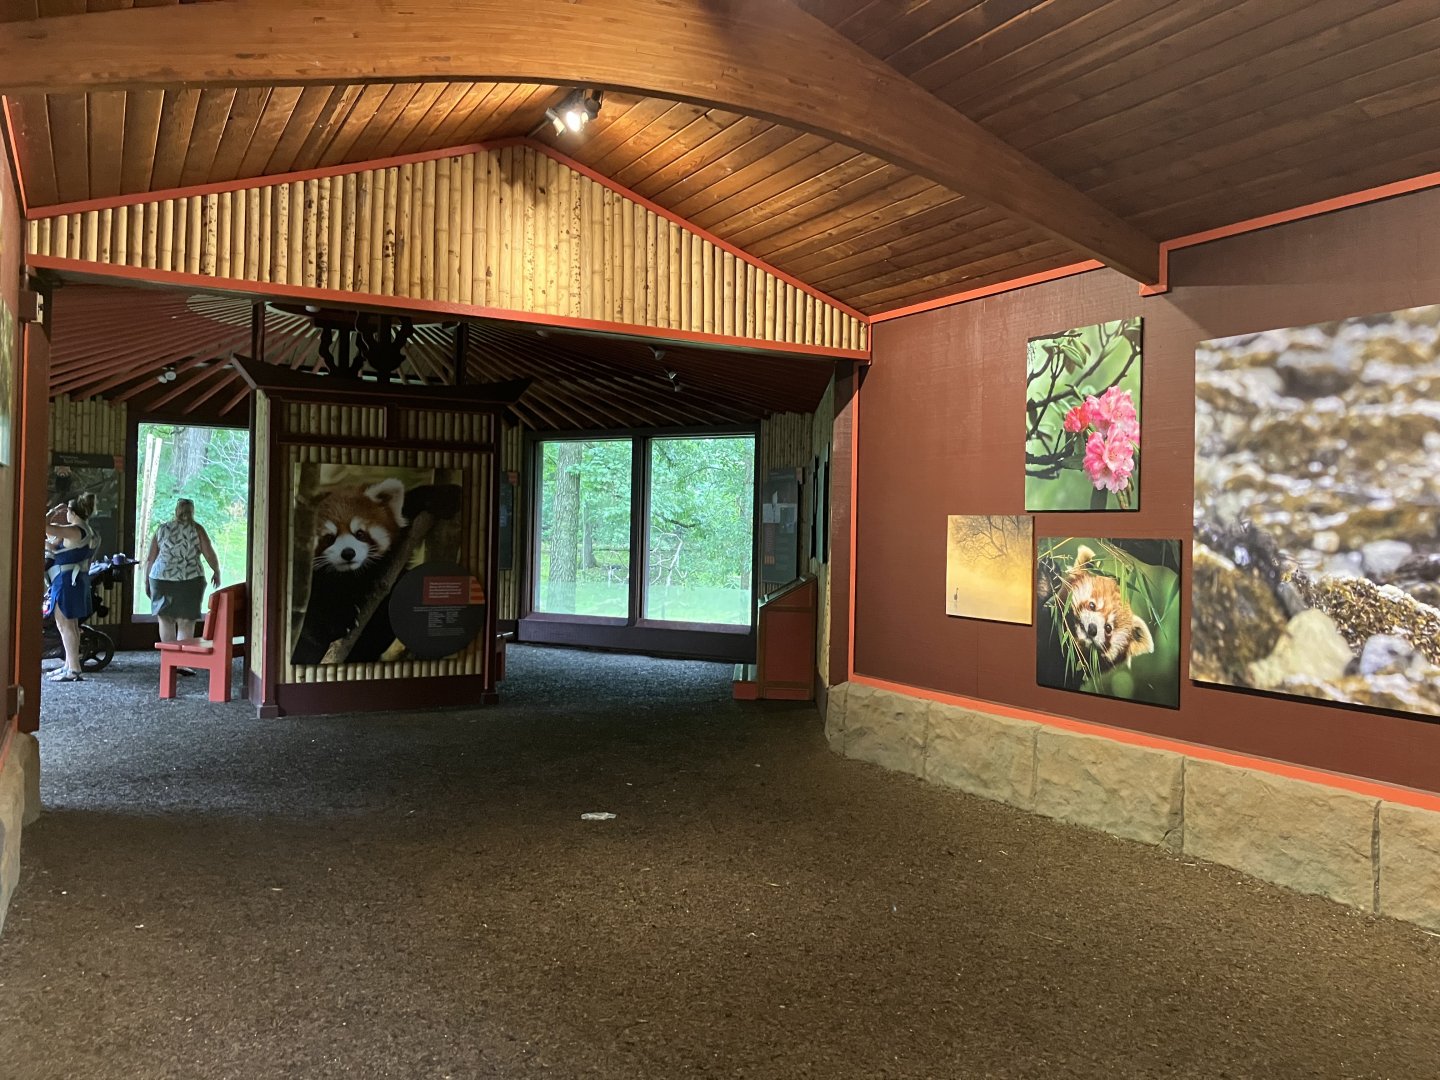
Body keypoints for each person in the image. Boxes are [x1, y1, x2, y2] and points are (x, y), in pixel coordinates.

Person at [144, 499, 221, 656]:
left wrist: (147, 581)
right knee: (186, 621)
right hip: (189, 580)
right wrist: (216, 570)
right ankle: (181, 662)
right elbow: (208, 552)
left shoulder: (162, 529)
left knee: (166, 619)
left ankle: (170, 659)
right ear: (192, 511)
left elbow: (151, 558)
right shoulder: (196, 529)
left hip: (161, 579)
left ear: (176, 511)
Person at [45, 493, 99, 683]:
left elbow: (43, 525)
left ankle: (74, 669)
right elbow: (58, 548)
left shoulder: (74, 530)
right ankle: (69, 664)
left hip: (67, 580)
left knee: (64, 624)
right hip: (78, 580)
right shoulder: (90, 532)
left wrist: (52, 511)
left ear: (71, 511)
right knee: (72, 625)